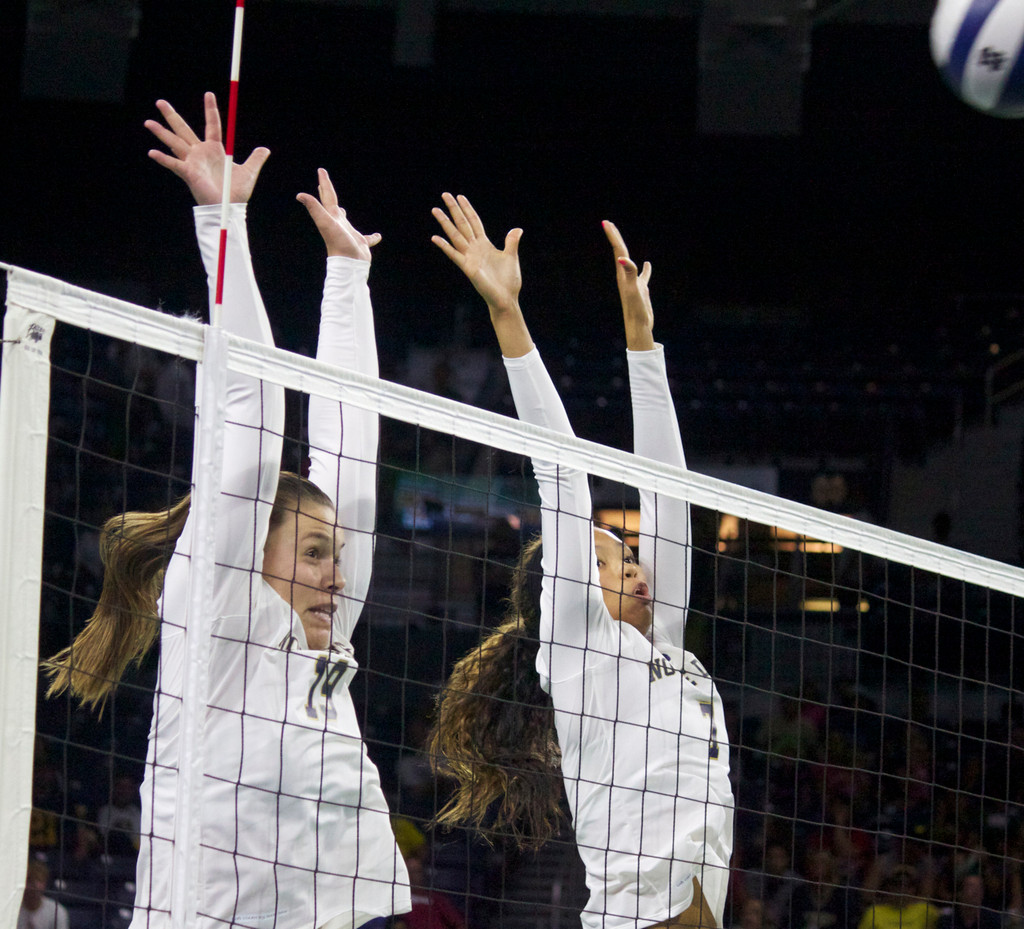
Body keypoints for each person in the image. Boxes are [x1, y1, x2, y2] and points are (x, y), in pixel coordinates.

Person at [43, 93, 410, 929]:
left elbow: (354, 461)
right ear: (252, 552)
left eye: (333, 554)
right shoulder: (218, 616)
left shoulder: (324, 635)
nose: (335, 573)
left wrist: (348, 278)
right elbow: (249, 422)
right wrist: (223, 223)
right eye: (314, 552)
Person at [427, 194, 735, 929]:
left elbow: (668, 492)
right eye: (605, 558)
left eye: (628, 550)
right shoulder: (577, 649)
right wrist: (509, 316)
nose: (632, 562)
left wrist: (642, 340)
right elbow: (563, 477)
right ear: (566, 593)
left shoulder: (663, 641)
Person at [18, 860, 70, 929]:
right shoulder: (12, 909)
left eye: (39, 880)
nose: (35, 886)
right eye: (30, 881)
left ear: (45, 884)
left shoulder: (57, 911)